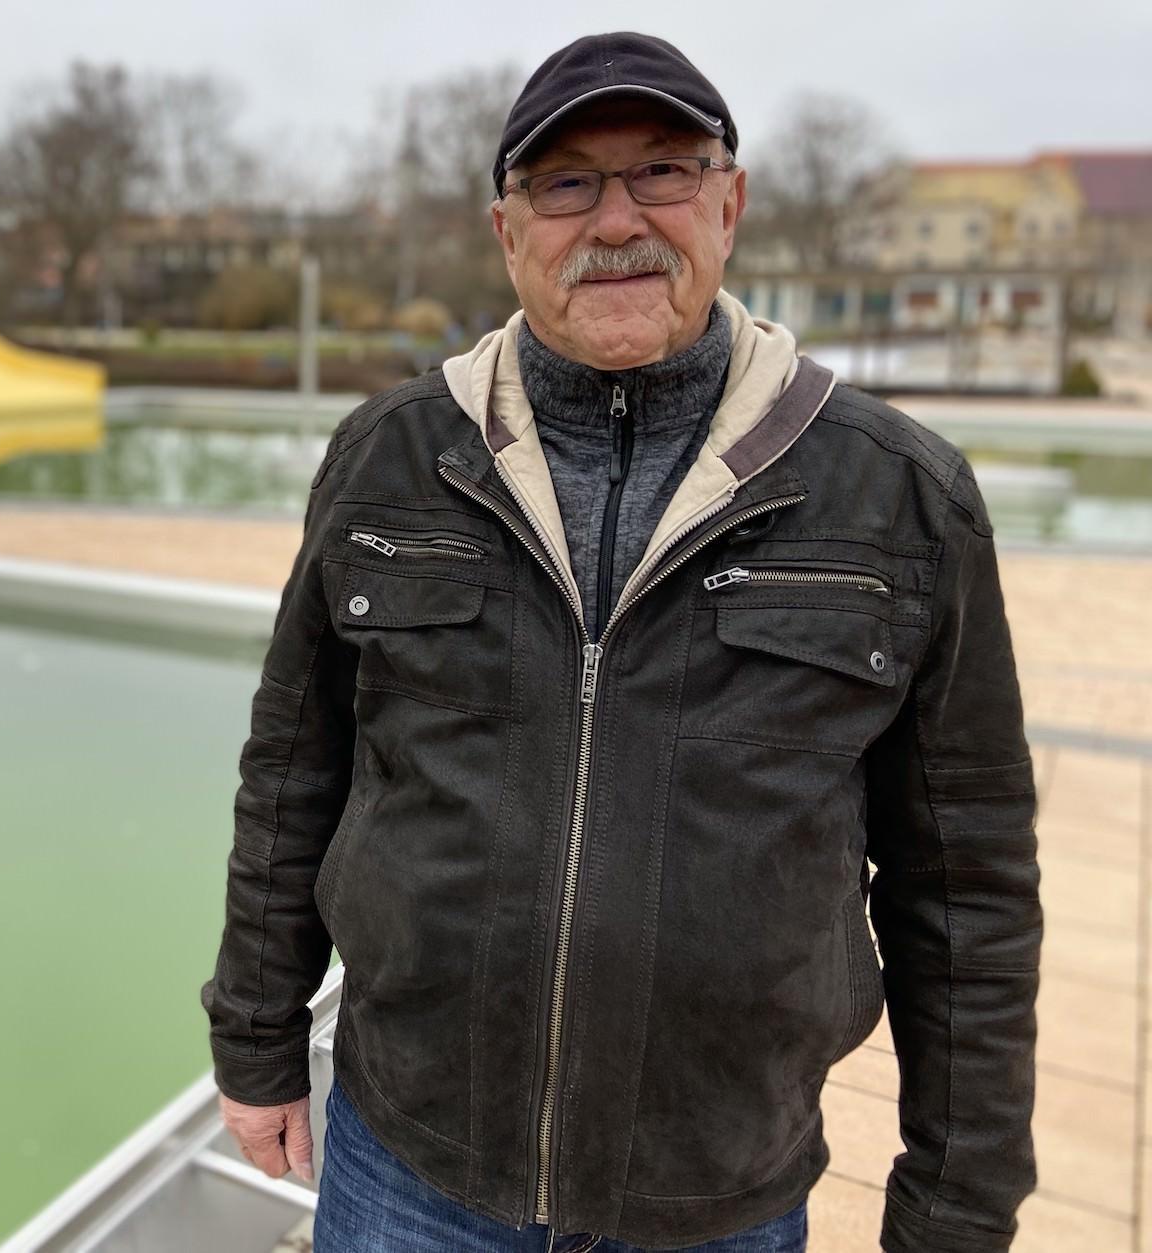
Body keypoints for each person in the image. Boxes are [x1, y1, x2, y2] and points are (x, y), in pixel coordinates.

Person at [199, 30, 1041, 1253]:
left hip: (718, 1193)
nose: (616, 220)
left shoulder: (900, 497)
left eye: (663, 171)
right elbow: (292, 773)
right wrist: (256, 1032)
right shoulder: (390, 460)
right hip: (412, 1168)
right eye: (567, 182)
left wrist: (960, 1200)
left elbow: (966, 887)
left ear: (730, 204)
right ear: (509, 230)